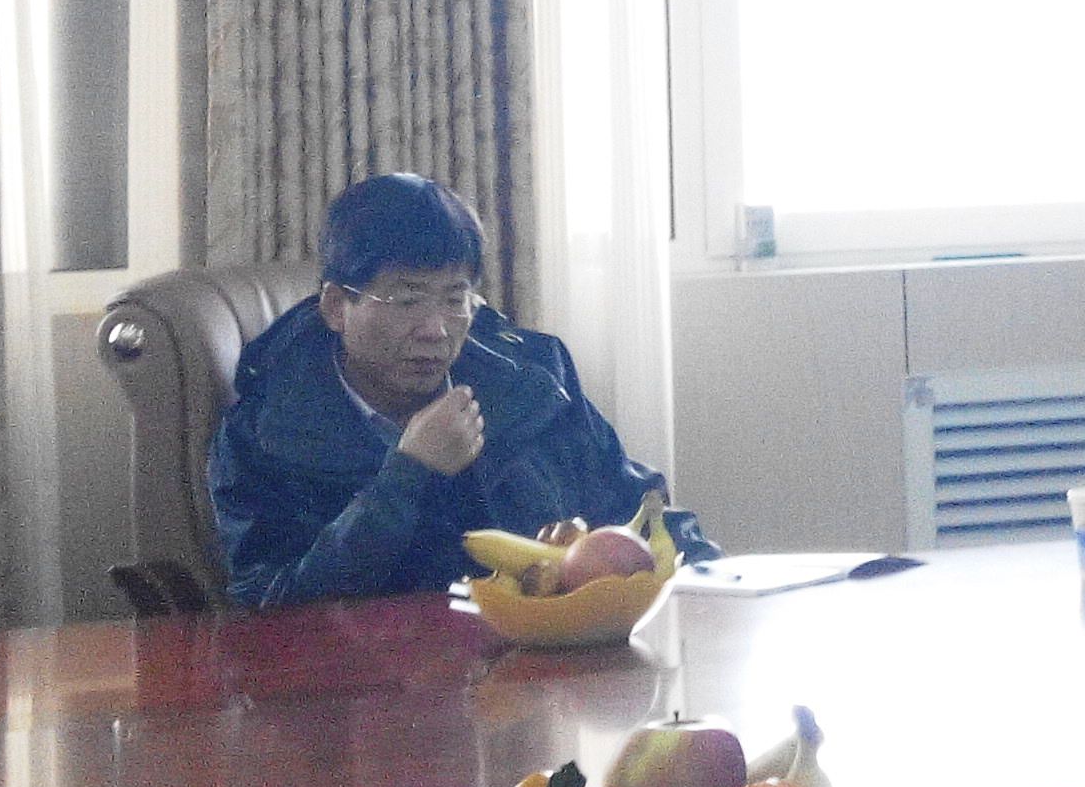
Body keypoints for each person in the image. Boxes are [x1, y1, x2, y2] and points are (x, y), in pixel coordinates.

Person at [209, 172, 713, 607]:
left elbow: (636, 506)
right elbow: (270, 606)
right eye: (406, 301)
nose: (435, 330)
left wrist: (714, 584)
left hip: (548, 657)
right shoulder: (264, 432)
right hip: (371, 681)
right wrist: (406, 475)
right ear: (337, 307)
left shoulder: (532, 379)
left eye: (454, 300)